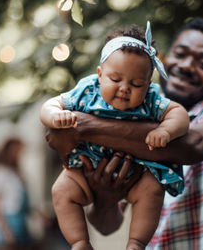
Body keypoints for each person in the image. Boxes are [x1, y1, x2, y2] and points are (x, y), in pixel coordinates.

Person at [46, 17, 203, 249]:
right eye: (180, 53)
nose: (186, 65)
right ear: (163, 58)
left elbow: (194, 145)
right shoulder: (124, 106)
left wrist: (82, 127)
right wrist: (106, 197)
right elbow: (107, 226)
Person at [40, 22, 190, 250]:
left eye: (136, 83)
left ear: (148, 84)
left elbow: (179, 113)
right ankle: (80, 242)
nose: (124, 88)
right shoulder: (86, 90)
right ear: (100, 75)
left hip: (138, 173)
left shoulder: (151, 98)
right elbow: (50, 105)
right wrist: (55, 115)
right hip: (85, 167)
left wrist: (165, 130)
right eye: (115, 79)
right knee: (61, 190)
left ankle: (136, 243)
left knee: (153, 190)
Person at [0, 138, 34, 250]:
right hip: (9, 220)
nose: (19, 154)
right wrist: (5, 230)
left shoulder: (16, 171)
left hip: (20, 220)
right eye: (17, 150)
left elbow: (24, 199)